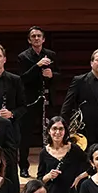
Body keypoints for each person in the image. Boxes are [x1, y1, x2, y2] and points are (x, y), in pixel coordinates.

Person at [14, 28, 58, 175]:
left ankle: (49, 164)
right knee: (25, 134)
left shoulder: (51, 55)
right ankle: (24, 167)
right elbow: (22, 79)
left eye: (39, 36)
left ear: (43, 39)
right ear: (29, 40)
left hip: (47, 99)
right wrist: (37, 66)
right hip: (30, 101)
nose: (37, 38)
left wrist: (52, 75)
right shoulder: (23, 57)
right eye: (33, 36)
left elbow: (59, 75)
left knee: (49, 133)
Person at [61, 50, 98, 137]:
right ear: (91, 63)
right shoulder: (79, 81)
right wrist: (63, 128)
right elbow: (67, 106)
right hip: (83, 132)